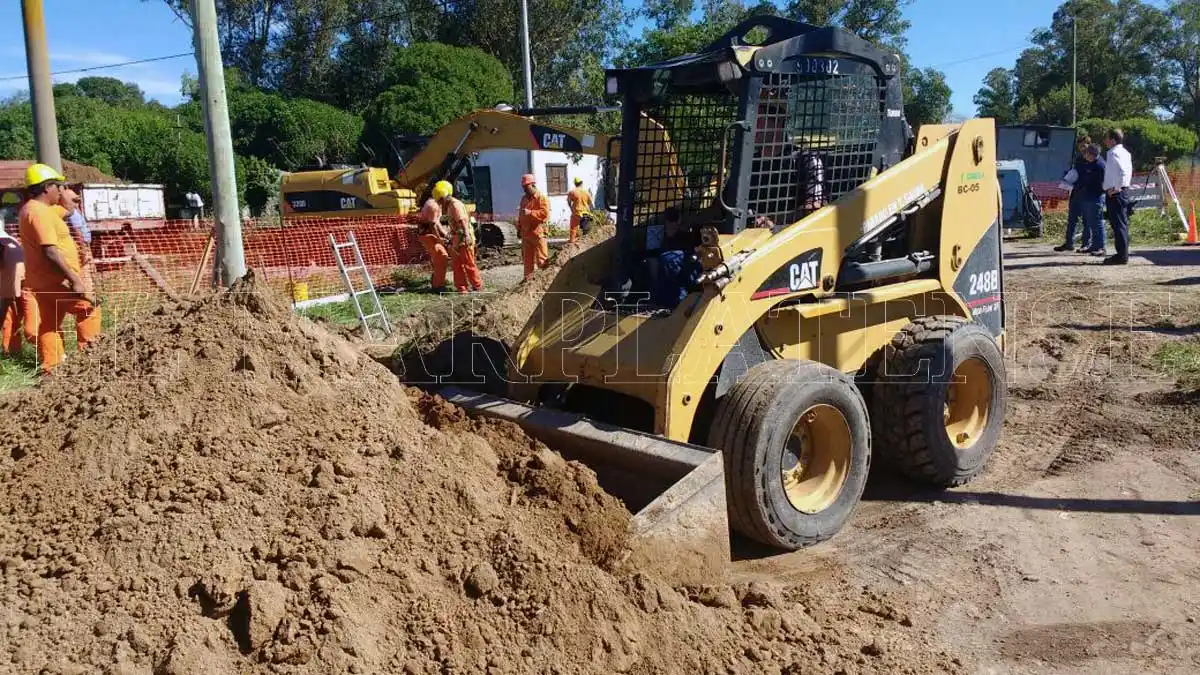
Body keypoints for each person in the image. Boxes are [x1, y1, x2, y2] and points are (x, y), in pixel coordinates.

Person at [17, 163, 101, 373]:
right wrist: (74, 279)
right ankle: (90, 362)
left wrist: (66, 197)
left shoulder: (34, 209)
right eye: (57, 186)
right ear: (47, 187)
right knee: (89, 308)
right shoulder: (40, 213)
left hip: (42, 280)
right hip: (56, 280)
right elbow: (50, 252)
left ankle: (52, 368)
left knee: (49, 323)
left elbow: (66, 210)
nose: (60, 191)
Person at [435, 180, 483, 294]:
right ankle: (462, 288)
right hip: (457, 238)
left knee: (468, 263)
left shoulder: (455, 206)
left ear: (445, 197)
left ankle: (477, 286)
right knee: (457, 265)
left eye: (440, 200)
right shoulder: (450, 205)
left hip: (463, 238)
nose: (440, 203)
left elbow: (463, 222)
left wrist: (467, 236)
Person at [1055, 136, 1094, 252]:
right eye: (1080, 146)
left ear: (1089, 144)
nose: (1082, 148)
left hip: (1087, 193)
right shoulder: (1078, 158)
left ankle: (1086, 244)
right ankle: (1069, 243)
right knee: (1072, 219)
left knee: (1087, 220)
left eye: (1084, 145)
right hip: (1076, 192)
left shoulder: (1093, 158)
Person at [1101, 128, 1133, 265]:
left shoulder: (1113, 153)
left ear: (1113, 140)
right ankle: (1122, 253)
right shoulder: (1125, 152)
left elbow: (1122, 171)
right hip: (1122, 191)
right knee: (1121, 223)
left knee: (1118, 224)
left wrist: (1116, 188)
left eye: (1107, 138)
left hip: (1116, 193)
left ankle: (1121, 255)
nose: (1105, 141)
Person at [1073, 145, 1107, 256]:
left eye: (1086, 153)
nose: (1085, 155)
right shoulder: (1089, 164)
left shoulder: (1100, 165)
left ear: (1091, 154)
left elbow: (1102, 183)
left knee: (1097, 223)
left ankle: (1101, 247)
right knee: (1091, 223)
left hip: (1096, 197)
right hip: (1088, 196)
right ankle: (1094, 245)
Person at [517, 174, 550, 281]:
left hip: (538, 233)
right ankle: (528, 282)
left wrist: (531, 212)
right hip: (526, 235)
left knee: (542, 260)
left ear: (533, 185)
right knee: (527, 262)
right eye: (523, 187)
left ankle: (543, 281)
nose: (525, 189)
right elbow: (521, 215)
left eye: (526, 187)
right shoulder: (524, 199)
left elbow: (545, 214)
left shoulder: (541, 198)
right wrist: (519, 228)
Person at [416, 192, 450, 292]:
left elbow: (436, 222)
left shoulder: (434, 204)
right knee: (441, 257)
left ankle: (437, 281)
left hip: (428, 234)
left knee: (440, 258)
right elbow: (433, 225)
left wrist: (445, 234)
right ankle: (437, 286)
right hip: (428, 235)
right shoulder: (433, 206)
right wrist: (439, 238)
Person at [566, 177, 592, 244]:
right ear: (581, 183)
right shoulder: (586, 192)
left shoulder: (572, 192)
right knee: (586, 229)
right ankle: (586, 243)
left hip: (576, 212)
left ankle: (572, 242)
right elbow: (590, 202)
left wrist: (571, 207)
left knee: (573, 228)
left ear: (575, 184)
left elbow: (569, 201)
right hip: (585, 213)